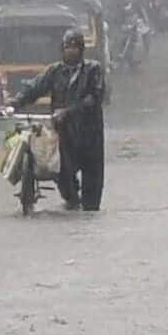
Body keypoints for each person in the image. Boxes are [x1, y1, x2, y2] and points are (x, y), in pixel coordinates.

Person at [10, 28, 106, 211]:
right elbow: (34, 88)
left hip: (90, 134)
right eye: (67, 47)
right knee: (62, 173)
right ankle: (72, 203)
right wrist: (15, 103)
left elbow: (94, 98)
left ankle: (89, 216)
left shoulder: (93, 70)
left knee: (92, 192)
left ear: (82, 50)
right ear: (61, 49)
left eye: (75, 47)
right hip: (63, 133)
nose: (71, 51)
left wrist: (67, 111)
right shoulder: (54, 71)